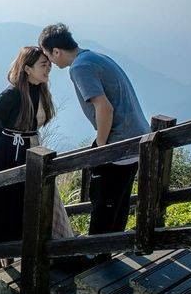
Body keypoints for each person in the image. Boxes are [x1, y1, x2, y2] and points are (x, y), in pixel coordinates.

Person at [39, 23, 150, 236]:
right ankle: (110, 253)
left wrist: (100, 146)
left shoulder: (80, 68)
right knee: (119, 203)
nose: (50, 62)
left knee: (103, 205)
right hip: (136, 138)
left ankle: (99, 257)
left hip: (119, 143)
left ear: (56, 51)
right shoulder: (96, 57)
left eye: (48, 56)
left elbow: (104, 108)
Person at [0, 46, 74, 271]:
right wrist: (2, 149)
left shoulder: (40, 92)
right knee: (1, 203)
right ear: (27, 68)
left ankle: (45, 250)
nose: (48, 68)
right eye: (43, 64)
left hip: (33, 151)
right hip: (9, 154)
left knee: (28, 202)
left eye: (48, 64)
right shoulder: (11, 95)